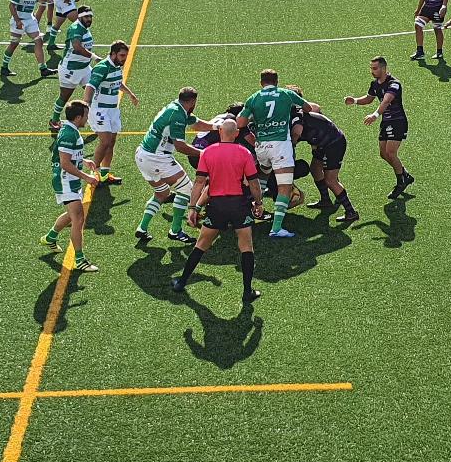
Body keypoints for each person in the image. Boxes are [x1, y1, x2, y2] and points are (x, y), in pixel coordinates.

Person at [172, 119, 265, 303]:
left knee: (201, 245)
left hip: (216, 206)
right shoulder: (244, 152)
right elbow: (254, 183)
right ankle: (248, 291)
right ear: (237, 133)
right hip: (238, 204)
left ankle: (181, 282)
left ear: (220, 131)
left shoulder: (208, 152)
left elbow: (199, 183)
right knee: (246, 246)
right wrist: (259, 203)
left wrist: (193, 207)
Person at [236, 70, 315, 238]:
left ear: (261, 82)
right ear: (277, 81)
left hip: (262, 146)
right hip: (280, 146)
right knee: (284, 186)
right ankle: (276, 228)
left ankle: (254, 210)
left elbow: (240, 123)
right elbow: (307, 107)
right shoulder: (286, 94)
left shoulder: (254, 97)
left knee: (263, 175)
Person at [134, 87, 218, 244]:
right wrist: (203, 154)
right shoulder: (178, 115)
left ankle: (142, 228)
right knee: (187, 189)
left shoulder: (176, 108)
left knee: (162, 193)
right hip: (157, 158)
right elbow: (180, 146)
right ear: (193, 101)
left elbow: (196, 123)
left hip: (142, 156)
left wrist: (216, 127)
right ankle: (176, 231)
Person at [37, 100, 101, 272]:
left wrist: (83, 161)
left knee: (73, 215)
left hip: (71, 179)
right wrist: (86, 177)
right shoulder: (68, 135)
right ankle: (80, 260)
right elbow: (65, 163)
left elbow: (69, 156)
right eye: (86, 116)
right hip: (65, 180)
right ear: (78, 117)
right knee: (78, 219)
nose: (87, 119)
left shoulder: (70, 130)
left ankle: (50, 238)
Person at [344, 56, 413, 199]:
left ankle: (401, 182)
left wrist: (375, 115)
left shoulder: (394, 84)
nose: (372, 71)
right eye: (371, 68)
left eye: (375, 68)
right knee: (383, 154)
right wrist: (355, 101)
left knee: (391, 152)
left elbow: (387, 100)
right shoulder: (375, 84)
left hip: (397, 121)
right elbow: (369, 99)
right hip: (386, 122)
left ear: (383, 68)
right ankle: (404, 174)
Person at [289, 98, 358, 223]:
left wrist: (291, 144)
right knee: (315, 169)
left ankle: (351, 212)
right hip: (322, 143)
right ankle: (325, 200)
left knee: (330, 180)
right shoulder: (296, 113)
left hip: (333, 144)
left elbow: (297, 133)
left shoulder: (295, 117)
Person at [83, 41, 139, 185]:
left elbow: (117, 82)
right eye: (121, 55)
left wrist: (130, 94)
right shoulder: (102, 68)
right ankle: (91, 174)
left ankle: (104, 175)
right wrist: (85, 106)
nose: (124, 58)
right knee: (105, 141)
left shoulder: (117, 66)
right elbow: (90, 87)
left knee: (111, 142)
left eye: (125, 56)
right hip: (99, 110)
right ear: (113, 54)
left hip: (113, 110)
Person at [1, 0, 56, 78]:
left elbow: (33, 2)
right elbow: (11, 5)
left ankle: (43, 68)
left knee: (38, 41)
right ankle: (4, 67)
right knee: (14, 43)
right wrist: (17, 21)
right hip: (19, 20)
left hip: (30, 19)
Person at [49, 5, 95, 131]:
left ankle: (93, 119)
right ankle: (54, 120)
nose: (89, 19)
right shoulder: (76, 28)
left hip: (85, 68)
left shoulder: (84, 28)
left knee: (95, 93)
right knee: (64, 97)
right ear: (79, 17)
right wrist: (94, 56)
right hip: (71, 69)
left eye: (90, 16)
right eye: (86, 16)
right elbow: (77, 47)